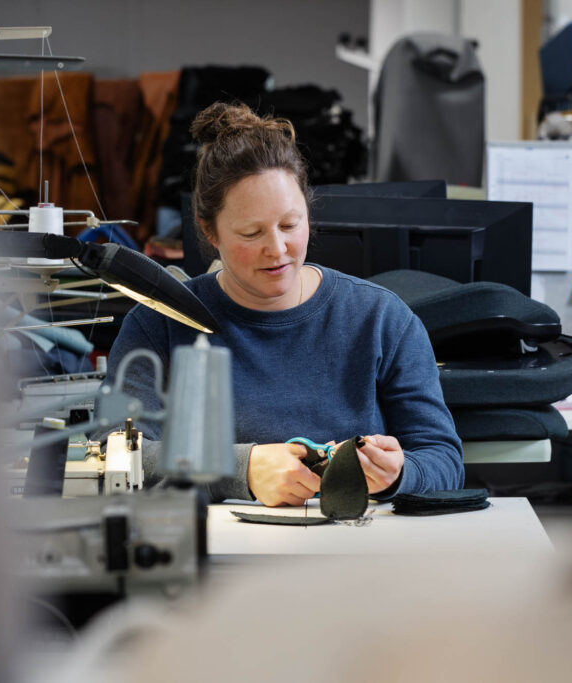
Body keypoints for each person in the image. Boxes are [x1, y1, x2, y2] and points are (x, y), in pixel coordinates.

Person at [102, 102, 463, 505]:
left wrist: (399, 474)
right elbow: (111, 456)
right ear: (210, 231)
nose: (277, 249)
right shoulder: (160, 324)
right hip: (219, 560)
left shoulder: (381, 320)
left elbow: (444, 460)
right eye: (251, 233)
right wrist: (240, 468)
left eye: (290, 225)